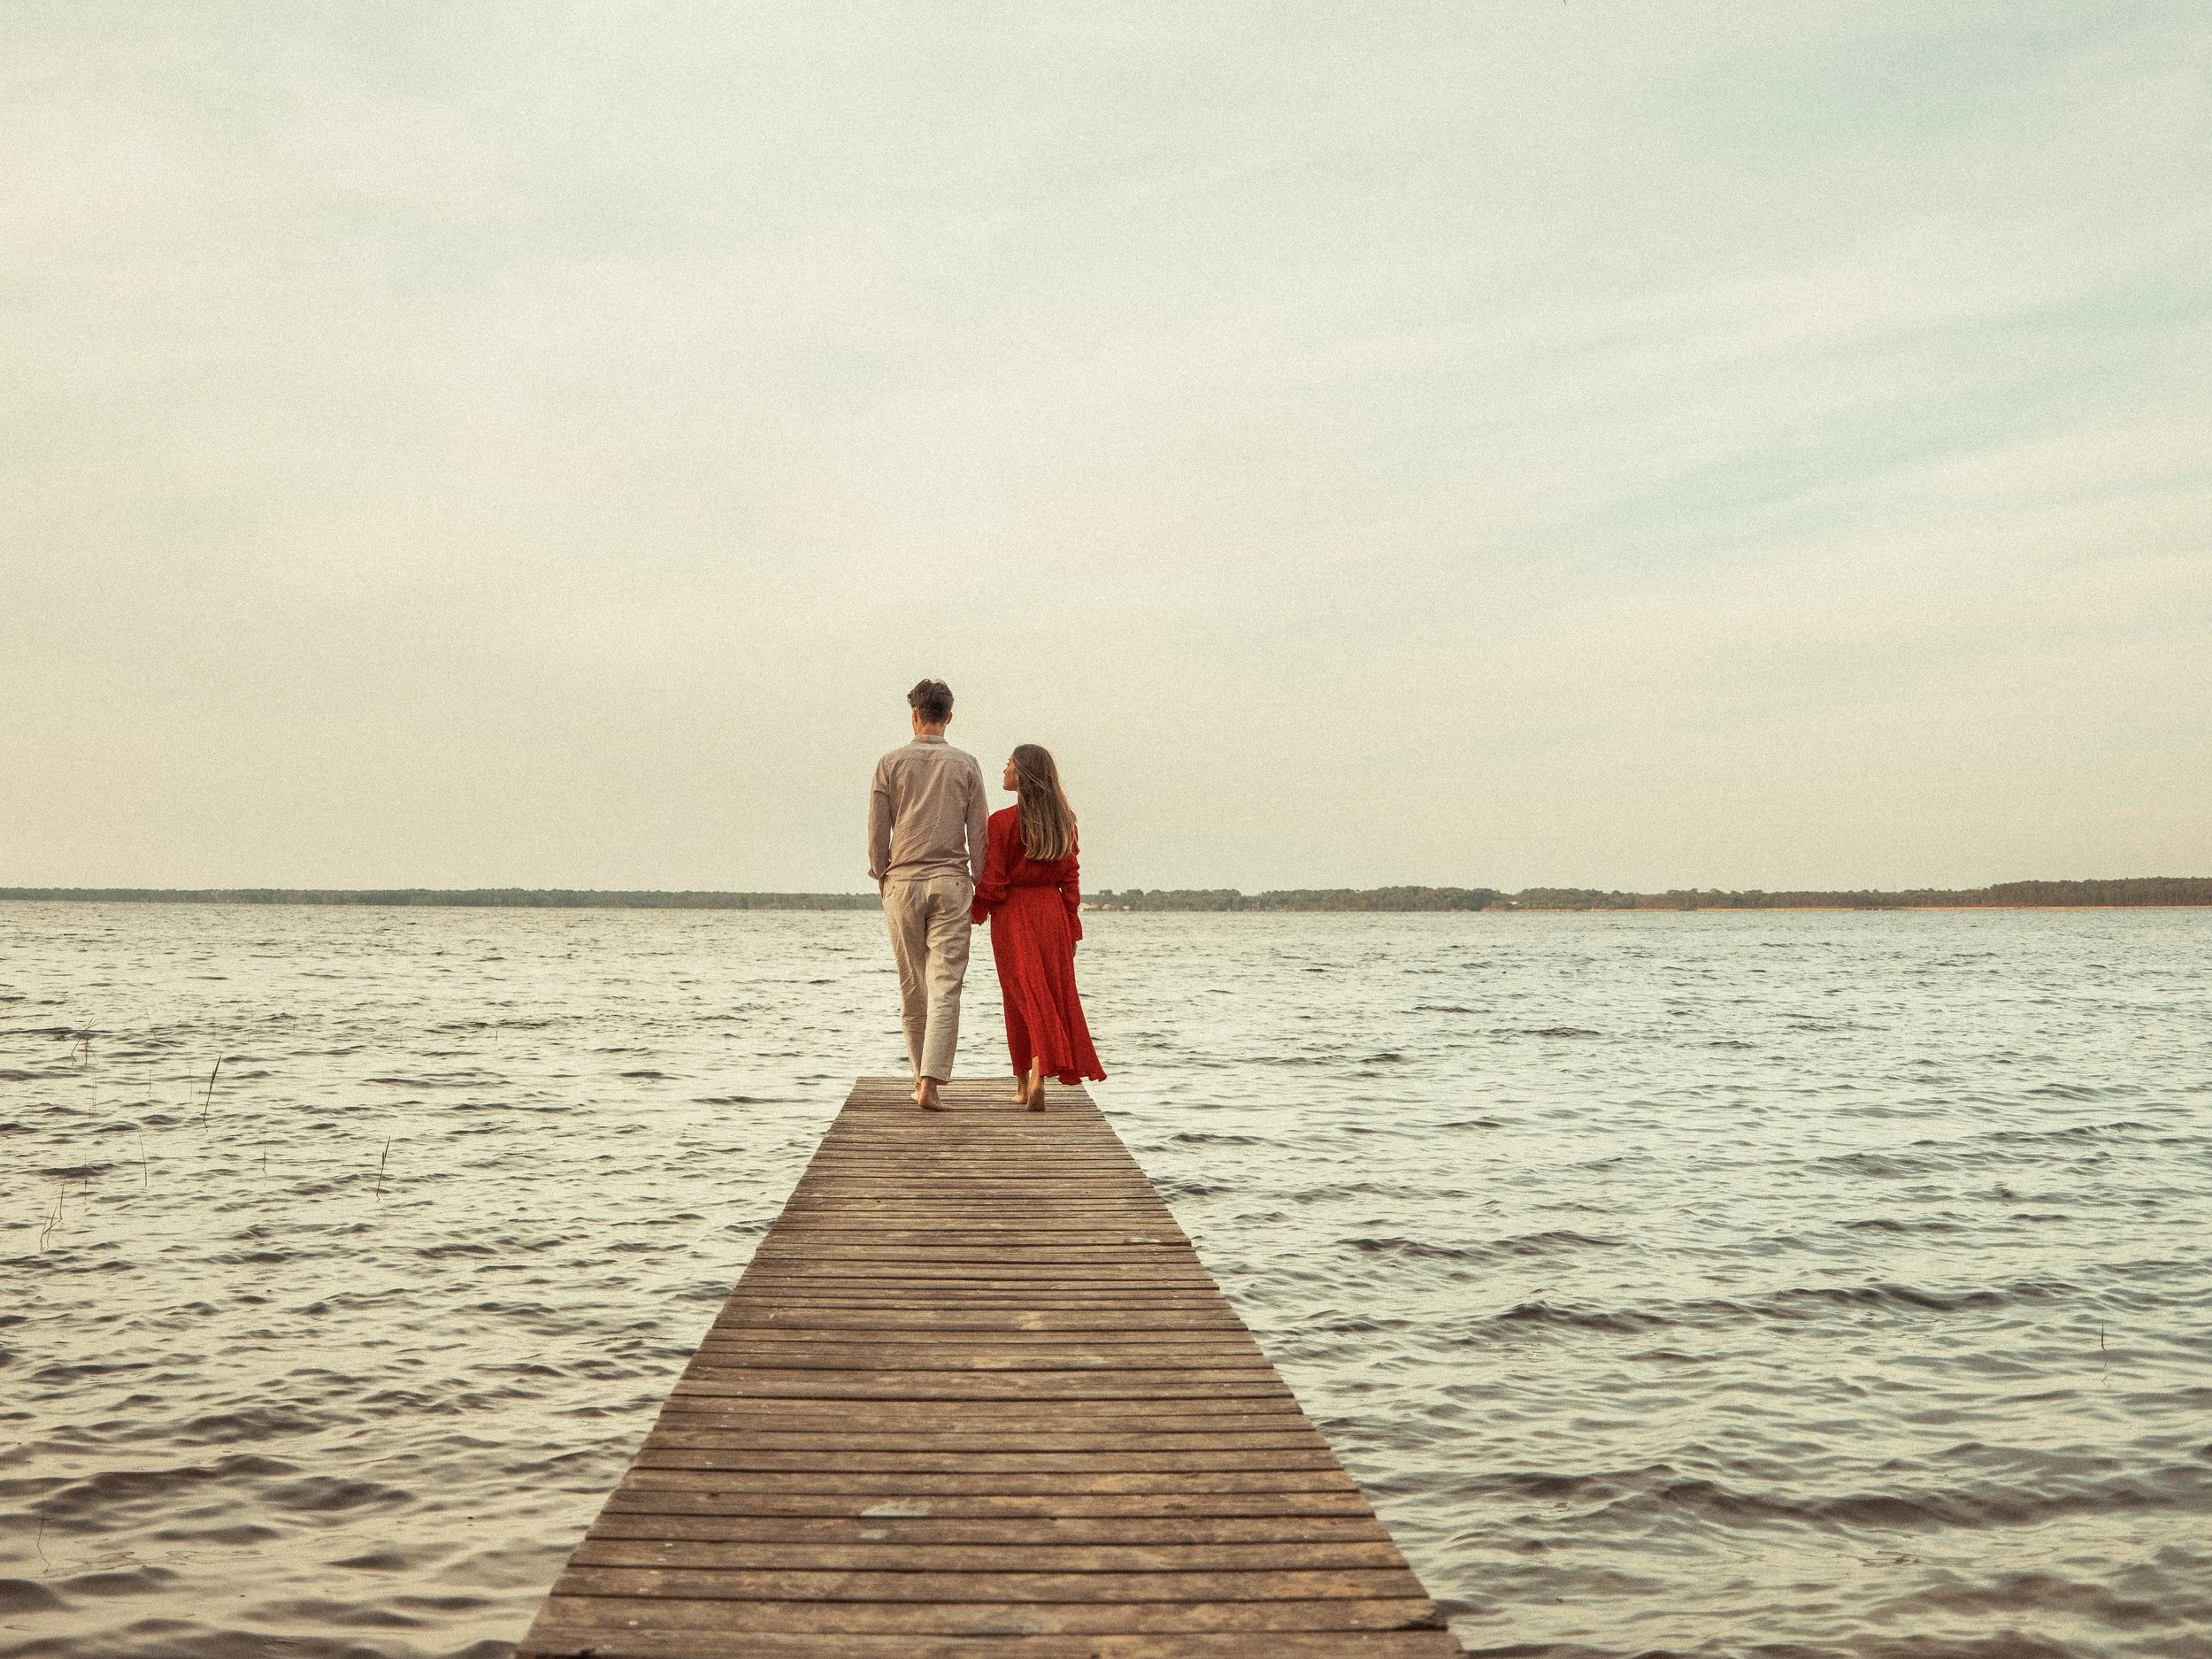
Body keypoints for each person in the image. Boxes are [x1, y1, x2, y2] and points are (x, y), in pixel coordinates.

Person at [868, 679, 988, 1111]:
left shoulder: (889, 763)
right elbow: (979, 831)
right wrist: (980, 877)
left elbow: (878, 830)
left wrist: (882, 874)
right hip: (951, 882)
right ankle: (929, 1085)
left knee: (912, 986)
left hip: (902, 882)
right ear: (949, 716)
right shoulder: (967, 764)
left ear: (914, 715)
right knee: (946, 986)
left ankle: (920, 1077)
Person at [971, 744, 1104, 1110]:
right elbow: (1071, 878)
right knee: (1046, 994)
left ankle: (1026, 1083)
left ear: (1023, 774)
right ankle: (1036, 1076)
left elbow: (996, 880)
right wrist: (1072, 925)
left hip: (1014, 914)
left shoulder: (1000, 822)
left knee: (1019, 998)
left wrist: (972, 911)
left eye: (1009, 763)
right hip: (1052, 913)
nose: (1004, 768)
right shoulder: (1065, 821)